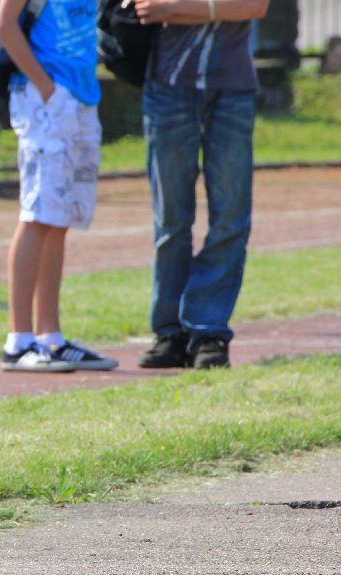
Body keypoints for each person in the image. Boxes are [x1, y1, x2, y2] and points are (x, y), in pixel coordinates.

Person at [134, 0, 269, 370]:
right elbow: (146, 9)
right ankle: (170, 332)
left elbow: (254, 7)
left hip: (233, 87)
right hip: (167, 86)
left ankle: (208, 330)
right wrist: (217, 7)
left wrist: (175, 8)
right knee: (171, 219)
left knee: (230, 216)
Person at [0, 0, 117, 372]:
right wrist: (45, 86)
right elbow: (4, 25)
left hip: (78, 96)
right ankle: (18, 341)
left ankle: (51, 337)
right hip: (44, 99)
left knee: (58, 218)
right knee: (37, 213)